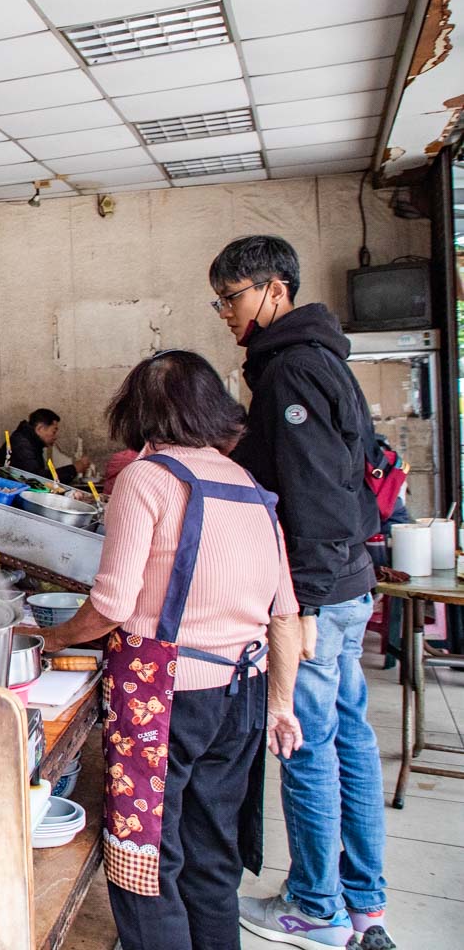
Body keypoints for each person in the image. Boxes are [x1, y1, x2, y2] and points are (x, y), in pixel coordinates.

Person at [23, 350, 303, 950]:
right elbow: (285, 614)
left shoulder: (147, 480)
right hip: (244, 693)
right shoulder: (250, 486)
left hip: (164, 695)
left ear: (138, 412)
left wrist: (51, 638)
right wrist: (282, 705)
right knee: (211, 853)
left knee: (145, 859)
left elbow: (112, 606)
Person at [209, 235, 390, 950]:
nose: (226, 311)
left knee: (307, 745)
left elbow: (313, 494)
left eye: (234, 296)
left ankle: (316, 906)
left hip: (320, 590)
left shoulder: (289, 371)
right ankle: (362, 899)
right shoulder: (323, 359)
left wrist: (303, 608)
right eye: (220, 300)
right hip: (350, 581)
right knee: (351, 741)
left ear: (275, 290)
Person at [0, 408, 93, 484]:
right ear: (40, 428)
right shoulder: (22, 444)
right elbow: (36, 479)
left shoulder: (31, 442)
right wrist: (74, 469)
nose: (55, 437)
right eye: (54, 431)